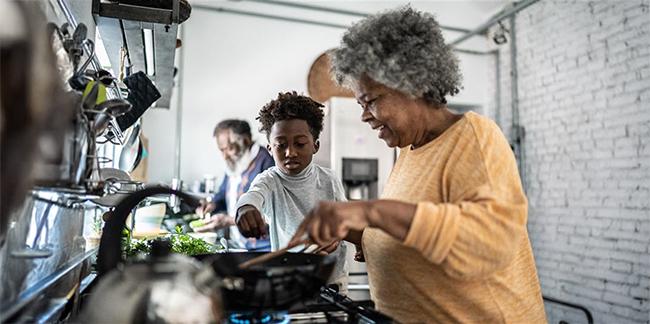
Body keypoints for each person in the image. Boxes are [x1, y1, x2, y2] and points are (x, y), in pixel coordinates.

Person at [289, 6, 547, 323]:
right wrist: (351, 230)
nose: (364, 115)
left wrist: (368, 210)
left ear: (413, 83)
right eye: (360, 104)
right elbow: (414, 230)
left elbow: (490, 242)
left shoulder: (474, 137)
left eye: (370, 100)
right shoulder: (410, 151)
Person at [235, 91, 348, 292]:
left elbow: (346, 220)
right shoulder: (269, 180)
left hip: (333, 282)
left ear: (315, 145)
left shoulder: (329, 179)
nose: (290, 152)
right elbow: (252, 196)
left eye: (300, 144)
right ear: (270, 149)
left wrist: (340, 236)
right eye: (281, 145)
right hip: (290, 284)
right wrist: (245, 209)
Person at [195, 119, 274, 249]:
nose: (225, 156)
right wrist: (211, 204)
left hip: (263, 247)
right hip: (240, 244)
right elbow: (222, 194)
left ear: (246, 141)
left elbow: (271, 214)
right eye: (222, 150)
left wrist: (227, 221)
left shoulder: (266, 163)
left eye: (229, 149)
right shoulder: (235, 163)